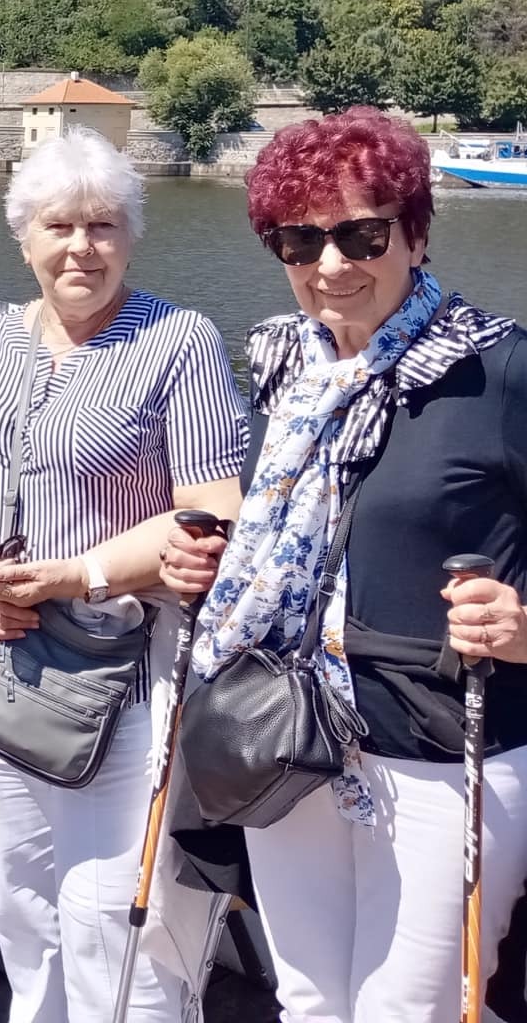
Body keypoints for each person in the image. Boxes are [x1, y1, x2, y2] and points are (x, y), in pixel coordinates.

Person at [162, 106, 527, 1022]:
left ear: (414, 234)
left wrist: (524, 625)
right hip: (290, 737)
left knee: (415, 1007)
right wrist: (209, 560)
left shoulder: (496, 371)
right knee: (310, 1000)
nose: (330, 265)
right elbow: (287, 535)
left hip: (443, 747)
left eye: (362, 235)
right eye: (300, 240)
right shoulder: (286, 367)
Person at [0, 126, 246, 1023]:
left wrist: (78, 575)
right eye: (59, 226)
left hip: (118, 676)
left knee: (111, 917)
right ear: (25, 238)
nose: (81, 247)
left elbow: (212, 507)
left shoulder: (178, 340)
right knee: (20, 902)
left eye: (102, 226)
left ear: (130, 236)